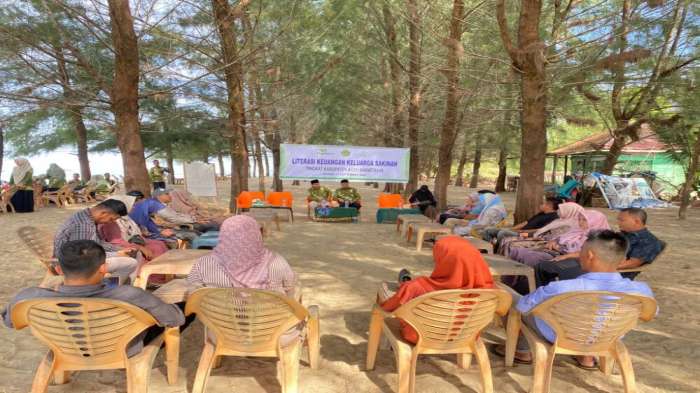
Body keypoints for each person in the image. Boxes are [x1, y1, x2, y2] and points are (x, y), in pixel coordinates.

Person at [497, 231, 655, 367]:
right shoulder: (642, 291)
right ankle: (586, 356)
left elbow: (524, 307)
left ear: (590, 255)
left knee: (511, 299)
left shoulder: (562, 288)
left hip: (559, 335)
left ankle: (523, 351)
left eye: (581, 251)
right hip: (607, 337)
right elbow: (649, 315)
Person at [2, 240, 185, 358]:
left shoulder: (29, 297)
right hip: (121, 349)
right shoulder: (130, 295)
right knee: (181, 308)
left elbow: (9, 321)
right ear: (104, 268)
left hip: (65, 348)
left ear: (58, 270)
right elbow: (175, 319)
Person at [378, 236, 494, 343]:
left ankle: (403, 283)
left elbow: (388, 308)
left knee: (393, 293)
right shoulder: (490, 291)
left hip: (419, 337)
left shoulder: (417, 287)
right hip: (467, 338)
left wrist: (402, 291)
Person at [534, 208, 663, 286]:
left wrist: (598, 265)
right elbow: (597, 248)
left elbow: (632, 263)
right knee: (544, 266)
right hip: (593, 263)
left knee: (560, 270)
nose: (618, 222)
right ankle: (545, 296)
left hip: (609, 273)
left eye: (622, 220)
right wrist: (569, 255)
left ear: (637, 221)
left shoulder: (649, 241)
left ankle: (561, 299)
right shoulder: (621, 235)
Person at [187, 215, 298, 298]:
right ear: (256, 235)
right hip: (270, 326)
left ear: (223, 234)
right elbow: (289, 288)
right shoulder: (275, 262)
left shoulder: (204, 263)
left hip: (221, 326)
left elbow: (193, 292)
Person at [53, 199, 139, 282]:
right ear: (103, 213)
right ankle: (107, 289)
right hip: (71, 264)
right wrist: (117, 254)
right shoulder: (84, 225)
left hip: (78, 257)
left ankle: (114, 285)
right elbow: (82, 255)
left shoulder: (86, 216)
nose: (110, 222)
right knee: (131, 263)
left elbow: (97, 243)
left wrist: (119, 249)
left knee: (134, 254)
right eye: (111, 219)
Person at [98, 195, 169, 263]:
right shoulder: (112, 221)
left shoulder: (126, 218)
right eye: (132, 205)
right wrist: (139, 247)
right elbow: (117, 241)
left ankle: (164, 271)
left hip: (134, 241)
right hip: (124, 245)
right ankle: (150, 273)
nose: (134, 207)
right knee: (155, 248)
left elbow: (136, 232)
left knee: (160, 244)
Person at [482, 197, 561, 249]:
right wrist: (511, 229)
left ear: (549, 206)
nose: (541, 205)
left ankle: (497, 249)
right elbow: (525, 223)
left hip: (528, 235)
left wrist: (520, 232)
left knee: (502, 233)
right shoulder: (541, 213)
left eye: (543, 203)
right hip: (520, 231)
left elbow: (540, 230)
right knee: (488, 230)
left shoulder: (553, 217)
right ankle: (488, 248)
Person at [129, 189, 201, 243]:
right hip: (146, 234)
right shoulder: (151, 204)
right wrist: (160, 231)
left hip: (151, 231)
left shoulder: (145, 206)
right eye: (166, 194)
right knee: (192, 234)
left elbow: (148, 222)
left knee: (191, 232)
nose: (170, 196)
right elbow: (173, 218)